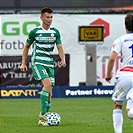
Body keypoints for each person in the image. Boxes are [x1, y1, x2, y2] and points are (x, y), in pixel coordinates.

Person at [20, 7, 66, 126]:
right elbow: (26, 47)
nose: (50, 19)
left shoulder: (55, 32)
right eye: (47, 17)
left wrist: (63, 59)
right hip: (38, 62)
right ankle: (43, 115)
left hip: (49, 63)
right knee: (47, 84)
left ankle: (44, 118)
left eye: (51, 17)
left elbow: (60, 47)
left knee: (50, 91)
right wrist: (23, 62)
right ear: (41, 18)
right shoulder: (35, 32)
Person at [105, 12, 133, 133]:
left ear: (125, 26)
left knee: (118, 105)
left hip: (125, 76)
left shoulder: (121, 40)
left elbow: (112, 58)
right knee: (130, 111)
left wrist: (108, 74)